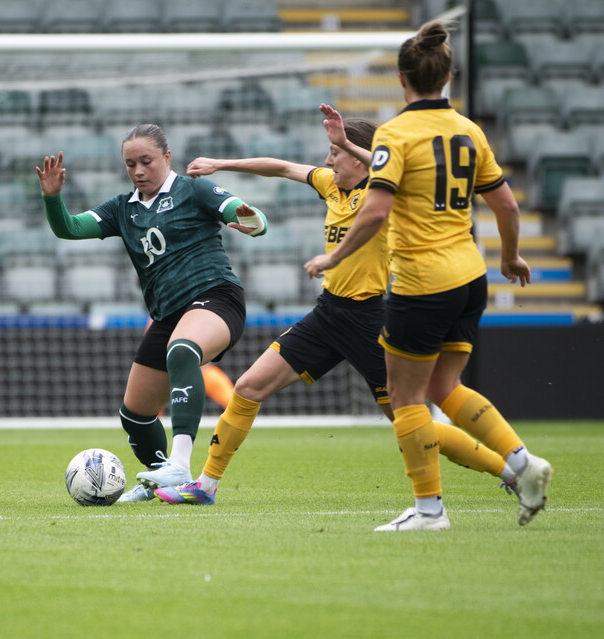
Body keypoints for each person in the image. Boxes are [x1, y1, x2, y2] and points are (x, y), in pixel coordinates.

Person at [155, 105, 520, 507]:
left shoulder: (386, 191)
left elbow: (390, 166)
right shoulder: (331, 185)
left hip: (370, 321)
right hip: (328, 315)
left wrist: (353, 145)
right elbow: (282, 168)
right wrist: (222, 164)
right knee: (248, 388)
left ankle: (507, 469)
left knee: (410, 422)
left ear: (360, 157)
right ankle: (205, 485)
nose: (328, 161)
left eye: (335, 153)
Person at [303, 21, 552, 531]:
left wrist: (333, 257)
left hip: (422, 282)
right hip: (470, 276)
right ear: (447, 76)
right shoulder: (469, 130)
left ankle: (430, 511)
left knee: (405, 398)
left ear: (402, 79)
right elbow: (506, 204)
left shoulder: (395, 134)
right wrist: (510, 257)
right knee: (445, 385)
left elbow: (375, 211)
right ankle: (523, 463)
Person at [36, 124, 268, 502]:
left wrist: (251, 221)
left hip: (216, 298)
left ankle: (180, 463)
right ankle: (162, 479)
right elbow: (70, 228)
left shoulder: (193, 189)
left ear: (167, 157)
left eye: (146, 161)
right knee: (135, 414)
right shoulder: (122, 209)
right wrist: (52, 198)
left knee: (183, 349)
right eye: (131, 164)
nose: (139, 171)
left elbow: (248, 217)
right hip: (168, 315)